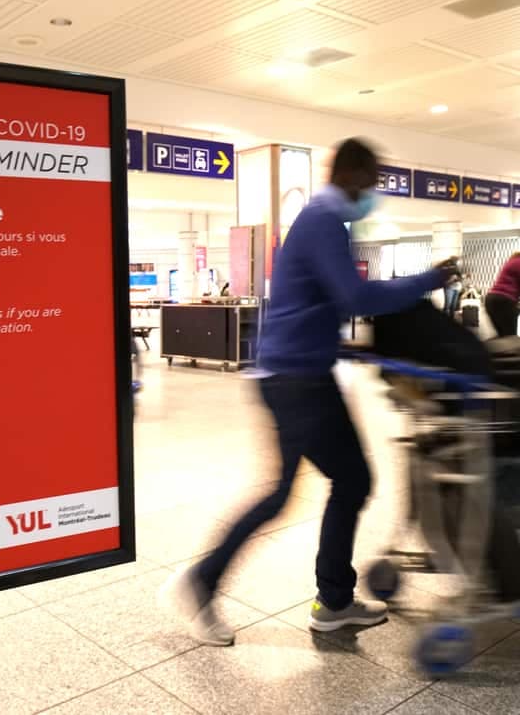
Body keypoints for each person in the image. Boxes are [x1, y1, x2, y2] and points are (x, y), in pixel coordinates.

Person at [161, 138, 457, 645]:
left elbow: (318, 304)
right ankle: (205, 584)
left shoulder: (322, 220)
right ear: (353, 175)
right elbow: (354, 295)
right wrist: (426, 278)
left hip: (301, 373)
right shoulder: (323, 218)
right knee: (310, 489)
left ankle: (333, 601)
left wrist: (341, 346)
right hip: (297, 381)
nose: (373, 193)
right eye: (372, 181)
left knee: (343, 481)